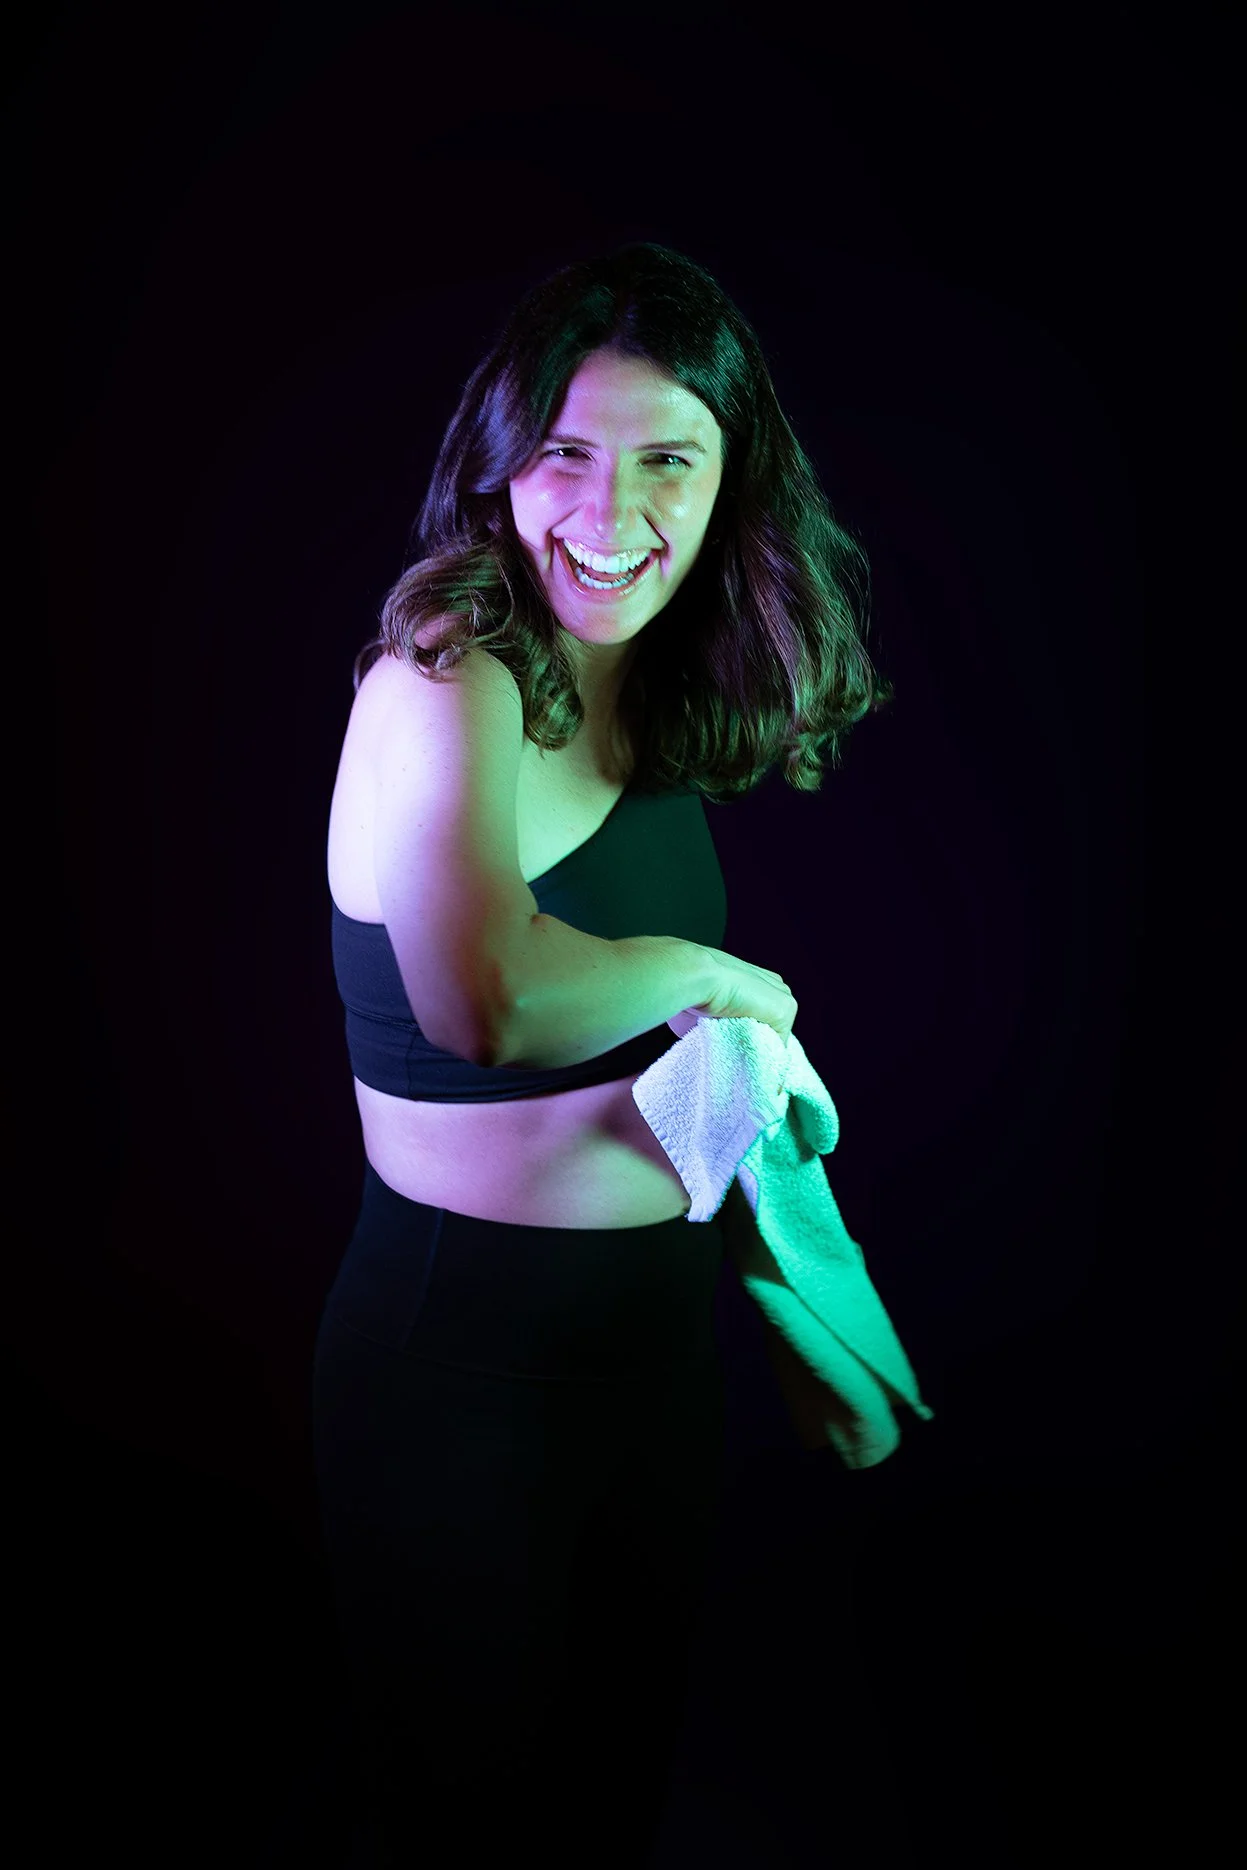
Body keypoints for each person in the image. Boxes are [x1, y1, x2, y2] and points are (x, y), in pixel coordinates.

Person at [314, 241, 891, 1868]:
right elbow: (484, 1000)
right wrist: (718, 972)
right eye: (565, 450)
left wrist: (787, 1299)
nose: (609, 507)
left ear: (728, 480)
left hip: (650, 1366)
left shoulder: (647, 690)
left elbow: (673, 1062)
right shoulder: (446, 681)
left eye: (665, 460)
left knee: (602, 1820)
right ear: (500, 458)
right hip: (459, 1376)